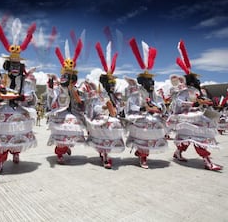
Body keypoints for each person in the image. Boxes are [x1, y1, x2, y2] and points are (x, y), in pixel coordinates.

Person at [0, 17, 37, 175]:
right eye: (11, 65)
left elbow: (31, 97)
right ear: (7, 65)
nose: (14, 68)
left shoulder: (26, 80)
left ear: (21, 66)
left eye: (17, 65)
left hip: (18, 110)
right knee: (0, 139)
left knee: (16, 135)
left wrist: (23, 98)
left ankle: (16, 152)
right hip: (2, 110)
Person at [168, 40, 222, 171]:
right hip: (189, 117)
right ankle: (207, 161)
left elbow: (201, 101)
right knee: (199, 138)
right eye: (196, 79)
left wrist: (206, 103)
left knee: (190, 138)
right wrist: (195, 103)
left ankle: (178, 153)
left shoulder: (198, 91)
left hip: (198, 116)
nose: (198, 81)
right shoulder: (184, 91)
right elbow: (179, 103)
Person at [122, 38, 168, 169]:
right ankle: (143, 157)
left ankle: (142, 153)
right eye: (149, 81)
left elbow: (160, 104)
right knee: (145, 130)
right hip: (141, 117)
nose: (152, 83)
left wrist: (158, 108)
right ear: (142, 82)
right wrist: (144, 108)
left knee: (155, 127)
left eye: (152, 80)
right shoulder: (136, 93)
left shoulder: (155, 93)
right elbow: (131, 106)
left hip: (153, 116)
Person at [81, 41, 125, 169]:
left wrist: (118, 106)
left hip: (111, 117)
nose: (112, 85)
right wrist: (105, 107)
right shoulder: (98, 93)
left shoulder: (115, 94)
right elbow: (94, 107)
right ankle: (106, 156)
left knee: (114, 125)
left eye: (113, 83)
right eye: (110, 83)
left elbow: (118, 109)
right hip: (100, 117)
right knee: (107, 126)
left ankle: (105, 153)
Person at [46, 39, 86, 164]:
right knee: (62, 132)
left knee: (72, 130)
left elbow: (81, 102)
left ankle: (66, 147)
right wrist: (50, 87)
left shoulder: (77, 89)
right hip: (61, 113)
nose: (66, 79)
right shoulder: (58, 88)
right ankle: (60, 153)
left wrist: (75, 93)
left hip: (73, 113)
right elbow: (52, 95)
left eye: (69, 76)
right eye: (65, 76)